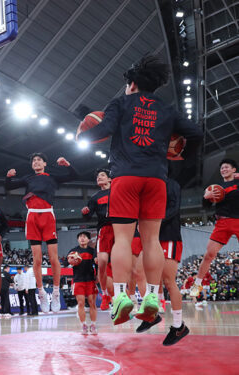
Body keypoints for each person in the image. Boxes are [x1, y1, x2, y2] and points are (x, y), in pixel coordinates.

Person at [77, 54, 203, 326]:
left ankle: (122, 297)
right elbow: (196, 134)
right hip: (156, 179)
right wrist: (182, 157)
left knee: (123, 240)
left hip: (125, 177)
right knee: (151, 241)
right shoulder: (167, 109)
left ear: (132, 84)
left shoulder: (120, 103)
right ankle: (153, 299)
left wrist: (82, 135)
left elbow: (104, 129)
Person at [5, 152, 76, 313]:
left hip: (47, 215)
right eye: (34, 160)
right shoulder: (28, 178)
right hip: (32, 218)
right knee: (36, 260)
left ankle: (56, 292)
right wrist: (8, 177)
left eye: (39, 160)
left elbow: (73, 175)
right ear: (32, 165)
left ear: (44, 163)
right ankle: (41, 292)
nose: (36, 162)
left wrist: (67, 164)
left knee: (53, 258)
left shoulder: (51, 176)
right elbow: (9, 186)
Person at [136, 178, 190, 345]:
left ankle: (178, 325)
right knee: (139, 273)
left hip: (168, 235)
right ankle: (151, 315)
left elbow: (174, 208)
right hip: (151, 237)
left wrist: (153, 221)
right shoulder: (145, 184)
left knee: (168, 280)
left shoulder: (171, 183)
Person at [190, 159, 239, 299]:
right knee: (208, 255)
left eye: (227, 167)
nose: (223, 169)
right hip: (222, 222)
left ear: (234, 170)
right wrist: (206, 198)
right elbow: (205, 207)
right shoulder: (215, 187)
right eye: (222, 168)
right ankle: (197, 284)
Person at [81, 168, 112, 310]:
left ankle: (128, 296)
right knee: (102, 263)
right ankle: (105, 294)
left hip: (121, 229)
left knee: (123, 265)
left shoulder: (118, 191)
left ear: (110, 179)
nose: (99, 178)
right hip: (104, 230)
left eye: (102, 175)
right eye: (97, 176)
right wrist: (85, 213)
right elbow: (88, 215)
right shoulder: (95, 197)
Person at [67, 232, 98, 335]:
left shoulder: (93, 251)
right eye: (80, 237)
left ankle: (93, 325)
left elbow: (97, 265)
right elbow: (65, 263)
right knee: (80, 303)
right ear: (78, 240)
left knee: (92, 303)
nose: (82, 238)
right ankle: (83, 325)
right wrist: (71, 261)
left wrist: (97, 276)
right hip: (78, 280)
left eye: (84, 237)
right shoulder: (73, 251)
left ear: (88, 240)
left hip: (90, 279)